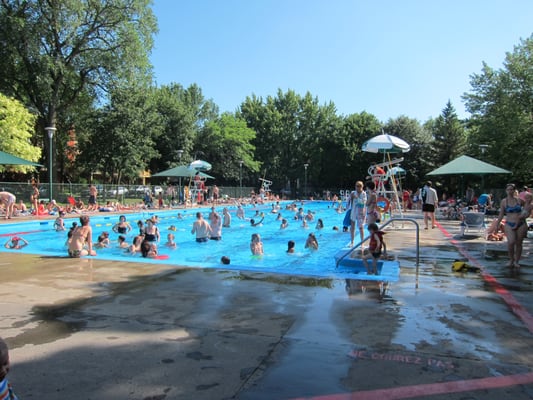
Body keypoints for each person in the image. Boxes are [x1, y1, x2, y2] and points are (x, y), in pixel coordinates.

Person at [496, 183, 528, 269]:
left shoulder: (519, 200)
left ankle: (517, 261)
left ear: (514, 190)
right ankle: (511, 260)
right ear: (506, 191)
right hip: (509, 223)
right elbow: (501, 214)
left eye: (511, 189)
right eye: (508, 189)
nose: (510, 191)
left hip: (521, 223)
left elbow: (527, 208)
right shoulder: (504, 201)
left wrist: (525, 214)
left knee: (519, 243)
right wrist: (497, 224)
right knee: (511, 242)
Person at [349, 181, 367, 247]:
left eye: (359, 186)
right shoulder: (353, 193)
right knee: (352, 227)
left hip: (361, 212)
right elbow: (348, 201)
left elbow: (363, 203)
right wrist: (351, 198)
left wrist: (356, 198)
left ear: (362, 187)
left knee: (361, 227)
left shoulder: (364, 194)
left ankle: (362, 242)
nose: (358, 188)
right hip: (353, 211)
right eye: (357, 186)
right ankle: (352, 242)